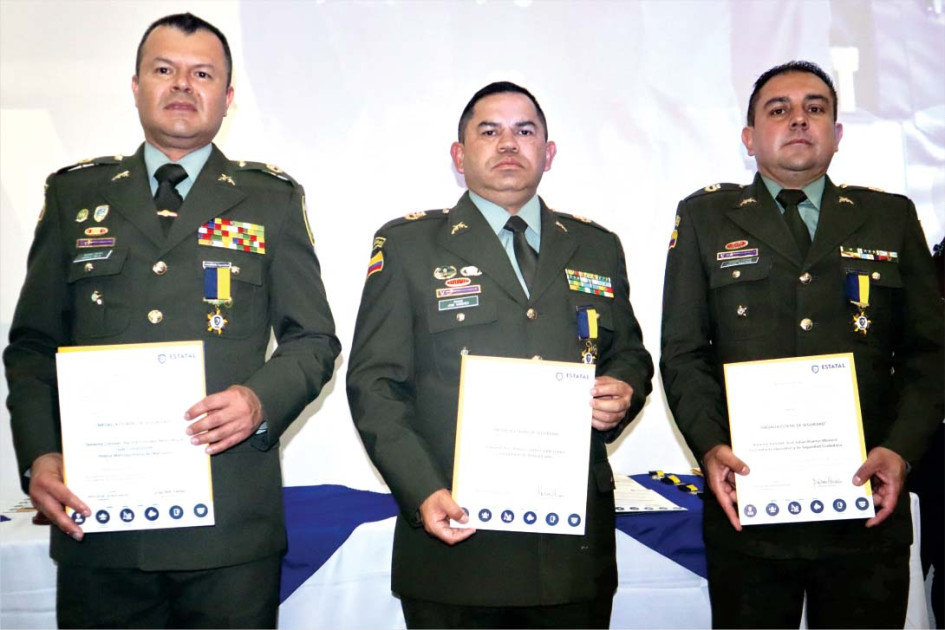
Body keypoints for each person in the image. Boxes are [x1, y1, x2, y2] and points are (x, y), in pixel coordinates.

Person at [3, 13, 340, 629]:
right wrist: (40, 454)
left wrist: (258, 401)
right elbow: (31, 346)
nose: (183, 85)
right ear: (136, 85)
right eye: (165, 70)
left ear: (227, 99)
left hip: (229, 530)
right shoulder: (76, 196)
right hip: (101, 526)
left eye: (202, 74)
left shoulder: (271, 200)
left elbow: (313, 339)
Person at [346, 81, 653, 628]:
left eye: (524, 131)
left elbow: (630, 354)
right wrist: (422, 492)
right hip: (455, 544)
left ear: (548, 153)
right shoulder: (409, 246)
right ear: (459, 156)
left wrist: (623, 390)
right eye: (489, 131)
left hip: (570, 553)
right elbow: (375, 384)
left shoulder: (597, 245)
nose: (508, 143)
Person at [660, 60, 944, 629]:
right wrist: (711, 447)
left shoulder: (889, 218)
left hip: (866, 504)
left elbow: (929, 353)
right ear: (749, 137)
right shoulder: (704, 219)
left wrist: (901, 450)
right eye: (778, 109)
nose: (798, 119)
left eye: (815, 108)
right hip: (747, 506)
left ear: (837, 134)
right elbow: (684, 353)